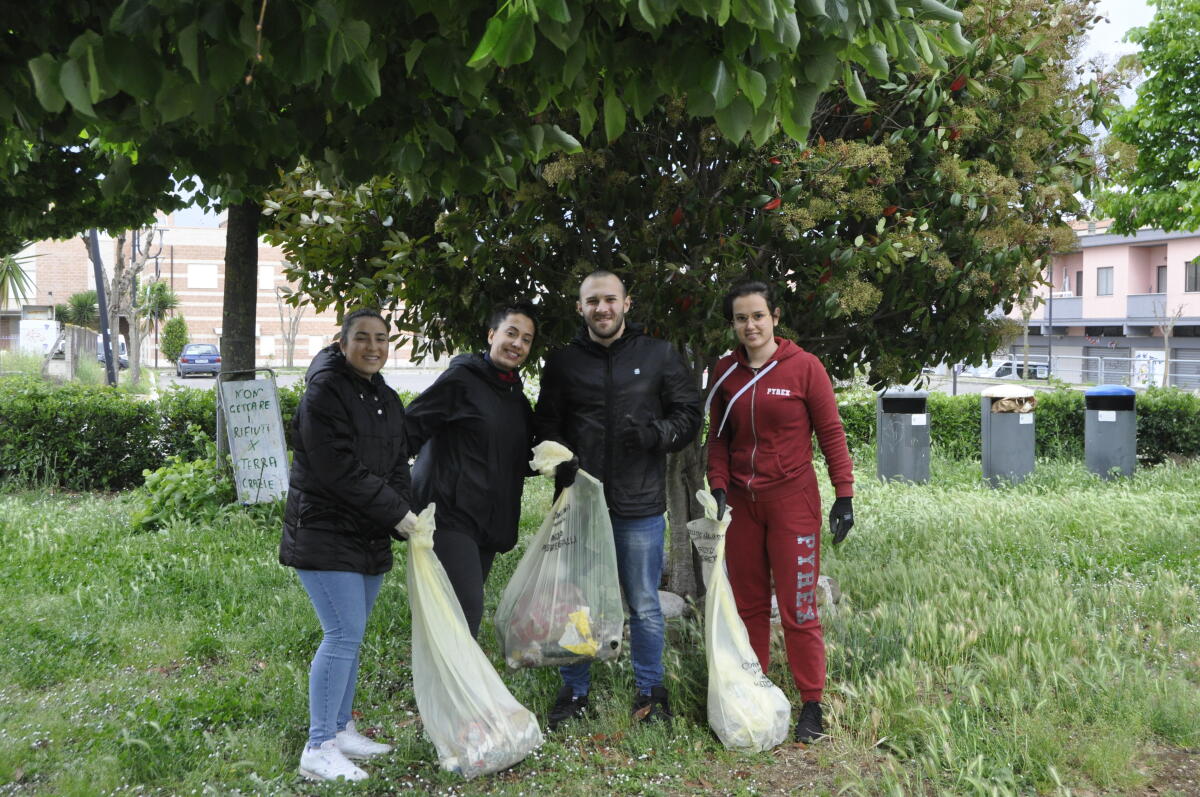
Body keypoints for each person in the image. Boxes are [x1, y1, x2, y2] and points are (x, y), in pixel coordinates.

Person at [534, 270, 702, 729]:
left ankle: (651, 689)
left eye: (610, 300)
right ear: (580, 308)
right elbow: (545, 422)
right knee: (576, 601)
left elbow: (689, 413)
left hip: (640, 504)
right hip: (579, 503)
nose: (602, 308)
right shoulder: (564, 362)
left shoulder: (658, 355)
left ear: (626, 304)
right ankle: (574, 689)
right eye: (592, 301)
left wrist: (656, 434)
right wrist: (559, 460)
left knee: (644, 603)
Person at [704, 280, 855, 744]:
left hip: (793, 502)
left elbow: (831, 433)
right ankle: (756, 691)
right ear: (732, 324)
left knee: (797, 606)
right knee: (748, 605)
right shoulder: (724, 372)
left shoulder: (804, 368)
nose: (750, 325)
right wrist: (719, 485)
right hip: (744, 508)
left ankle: (813, 703)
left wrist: (844, 494)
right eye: (740, 318)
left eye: (758, 316)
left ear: (775, 317)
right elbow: (719, 439)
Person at [279, 309, 418, 782]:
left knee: (351, 639)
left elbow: (399, 462)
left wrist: (403, 509)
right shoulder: (324, 390)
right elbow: (336, 467)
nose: (373, 347)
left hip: (368, 532)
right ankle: (318, 747)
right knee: (341, 635)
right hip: (323, 530)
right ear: (342, 343)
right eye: (363, 338)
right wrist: (395, 512)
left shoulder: (386, 397)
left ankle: (340, 729)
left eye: (381, 339)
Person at [404, 302, 539, 638]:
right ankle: (456, 689)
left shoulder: (516, 400)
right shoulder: (461, 380)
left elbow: (517, 459)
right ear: (492, 334)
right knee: (466, 611)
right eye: (511, 333)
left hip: (488, 520)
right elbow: (410, 428)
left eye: (526, 339)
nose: (517, 344)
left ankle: (445, 687)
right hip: (450, 513)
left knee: (458, 615)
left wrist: (558, 461)